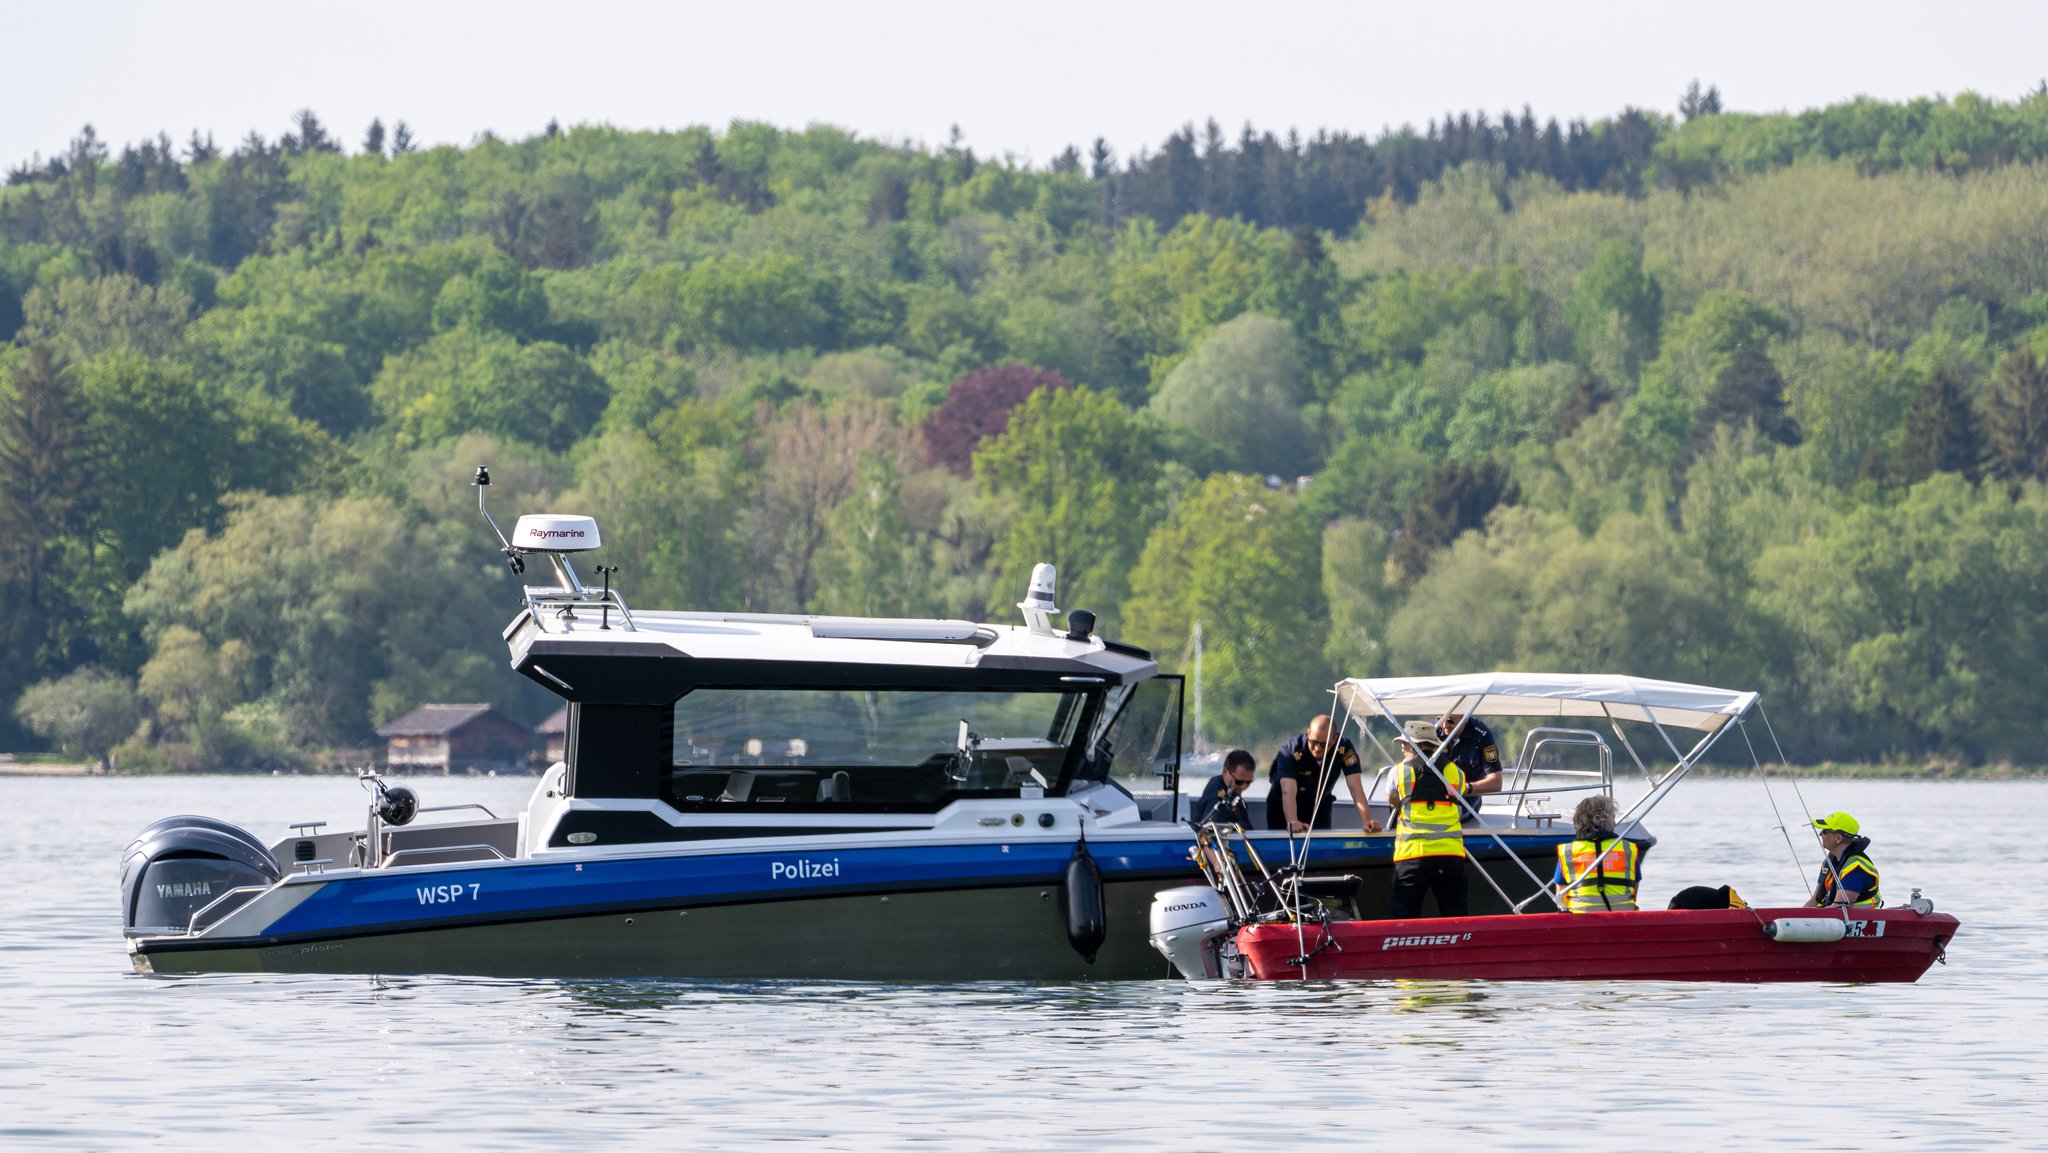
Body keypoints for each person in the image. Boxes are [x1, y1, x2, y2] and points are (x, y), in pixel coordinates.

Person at [1386, 720, 1469, 918]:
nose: (1402, 749)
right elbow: (1461, 794)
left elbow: (1392, 801)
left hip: (1412, 856)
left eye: (1403, 744)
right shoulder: (1456, 773)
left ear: (1411, 745)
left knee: (1404, 919)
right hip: (1451, 856)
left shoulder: (1398, 772)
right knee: (1456, 918)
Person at [1265, 715, 1380, 834]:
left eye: (1324, 744)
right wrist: (1293, 821)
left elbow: (1355, 787)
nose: (1317, 748)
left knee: (1323, 849)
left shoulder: (1343, 748)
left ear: (1334, 739)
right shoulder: (1291, 750)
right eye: (1313, 742)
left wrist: (1367, 821)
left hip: (1319, 806)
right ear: (1308, 733)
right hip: (1284, 807)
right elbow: (1288, 791)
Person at [1551, 794, 1645, 913]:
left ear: (1579, 821)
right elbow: (1634, 893)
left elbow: (1561, 899)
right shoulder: (1628, 849)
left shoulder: (1568, 852)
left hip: (1581, 918)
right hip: (1623, 916)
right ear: (1611, 820)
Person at [1437, 712, 1502, 820]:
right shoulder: (1432, 730)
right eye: (1440, 719)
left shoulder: (1482, 735)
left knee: (1449, 816)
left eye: (1450, 721)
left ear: (1465, 719)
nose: (1444, 725)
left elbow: (1496, 782)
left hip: (1468, 795)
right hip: (1435, 793)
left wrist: (1465, 788)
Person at [1809, 811, 1881, 908]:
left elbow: (1838, 908)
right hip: (1832, 918)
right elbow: (1814, 901)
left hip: (1859, 920)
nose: (1820, 834)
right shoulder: (1829, 862)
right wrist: (1795, 918)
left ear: (1838, 838)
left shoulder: (1855, 868)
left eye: (1825, 831)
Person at [1190, 749, 1257, 826]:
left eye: (1249, 782)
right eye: (1239, 782)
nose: (1244, 787)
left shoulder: (1232, 791)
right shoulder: (1216, 798)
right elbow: (1213, 831)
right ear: (1225, 772)